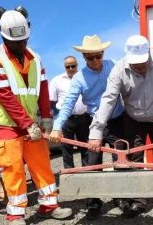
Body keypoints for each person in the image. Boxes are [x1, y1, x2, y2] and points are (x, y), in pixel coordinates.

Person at [0, 6, 72, 225]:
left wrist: (47, 118)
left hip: (30, 122)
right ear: (3, 35)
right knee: (13, 169)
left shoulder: (36, 58)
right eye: (15, 42)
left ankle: (49, 205)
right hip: (5, 125)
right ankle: (15, 215)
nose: (21, 45)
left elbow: (42, 90)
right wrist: (27, 124)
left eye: (24, 40)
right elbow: (5, 97)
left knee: (41, 163)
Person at [88, 35, 153, 218]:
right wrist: (96, 130)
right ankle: (138, 202)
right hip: (134, 120)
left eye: (143, 62)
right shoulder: (118, 70)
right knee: (135, 159)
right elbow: (108, 99)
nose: (139, 67)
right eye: (135, 64)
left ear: (149, 53)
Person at [48, 34, 127, 219]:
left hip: (117, 122)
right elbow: (67, 104)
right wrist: (57, 126)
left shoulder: (114, 66)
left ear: (103, 53)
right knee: (92, 164)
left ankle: (123, 198)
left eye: (98, 56)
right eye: (90, 57)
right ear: (84, 57)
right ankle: (93, 201)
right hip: (94, 124)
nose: (95, 61)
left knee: (122, 162)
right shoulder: (79, 78)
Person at [49, 56, 88, 169]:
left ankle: (87, 170)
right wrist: (57, 116)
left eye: (73, 66)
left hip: (83, 117)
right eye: (68, 66)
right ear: (64, 67)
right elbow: (52, 101)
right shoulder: (56, 80)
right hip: (66, 119)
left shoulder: (84, 78)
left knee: (85, 146)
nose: (71, 68)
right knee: (66, 147)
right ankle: (69, 172)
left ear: (77, 65)